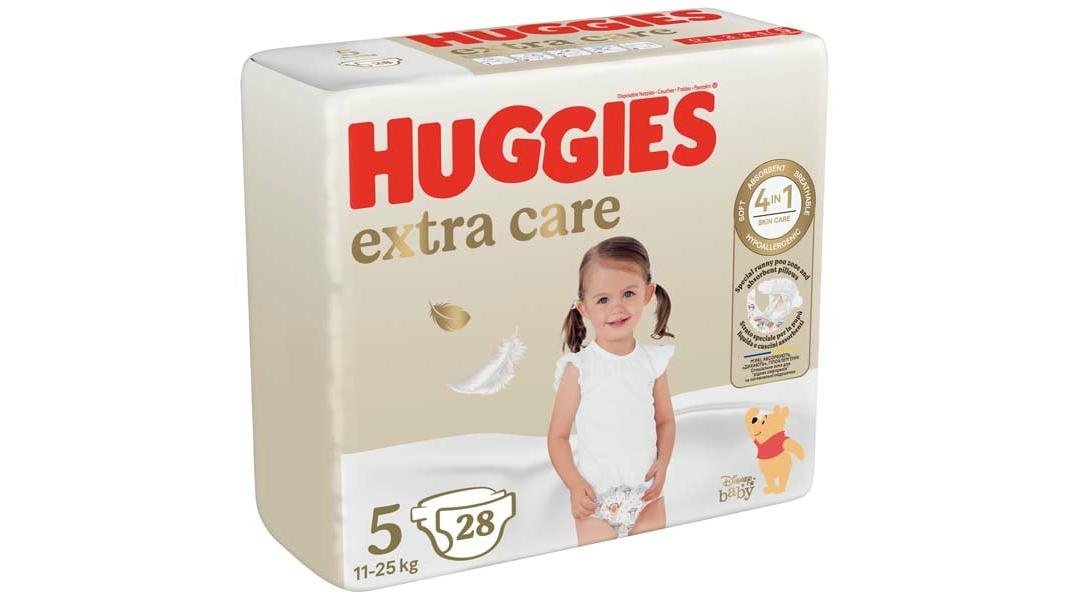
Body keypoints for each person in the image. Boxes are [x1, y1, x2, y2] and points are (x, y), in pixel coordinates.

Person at [547, 236, 677, 544]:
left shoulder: (652, 362)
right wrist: (574, 484)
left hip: (647, 495)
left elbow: (665, 421)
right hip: (595, 500)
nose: (617, 307)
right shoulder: (579, 368)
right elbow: (557, 437)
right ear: (584, 308)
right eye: (603, 300)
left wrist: (663, 463)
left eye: (628, 294)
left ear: (648, 294)